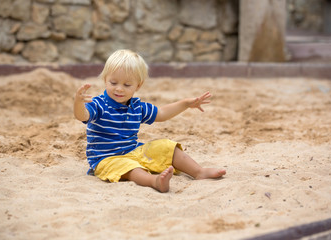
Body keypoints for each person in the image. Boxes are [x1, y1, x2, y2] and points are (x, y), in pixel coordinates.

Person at [74, 49, 226, 193]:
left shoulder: (137, 106)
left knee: (167, 147)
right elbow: (83, 115)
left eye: (127, 85)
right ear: (105, 80)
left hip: (133, 151)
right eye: (113, 83)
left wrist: (186, 104)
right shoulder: (99, 104)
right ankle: (155, 181)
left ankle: (199, 171)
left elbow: (161, 113)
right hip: (106, 159)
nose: (119, 89)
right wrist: (78, 103)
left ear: (138, 86)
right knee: (131, 168)